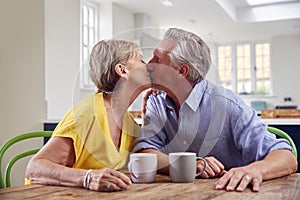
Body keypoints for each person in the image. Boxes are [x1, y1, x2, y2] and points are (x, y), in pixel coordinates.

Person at [133, 28, 298, 192]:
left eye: (158, 60)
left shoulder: (228, 105)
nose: (149, 64)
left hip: (233, 193)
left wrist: (255, 170)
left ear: (181, 71)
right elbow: (146, 151)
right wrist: (190, 165)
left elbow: (286, 157)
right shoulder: (156, 100)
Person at [25, 40, 151, 192]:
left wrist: (149, 114)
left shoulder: (128, 121)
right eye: (141, 60)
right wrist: (88, 178)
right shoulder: (85, 116)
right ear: (122, 70)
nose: (148, 65)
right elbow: (35, 168)